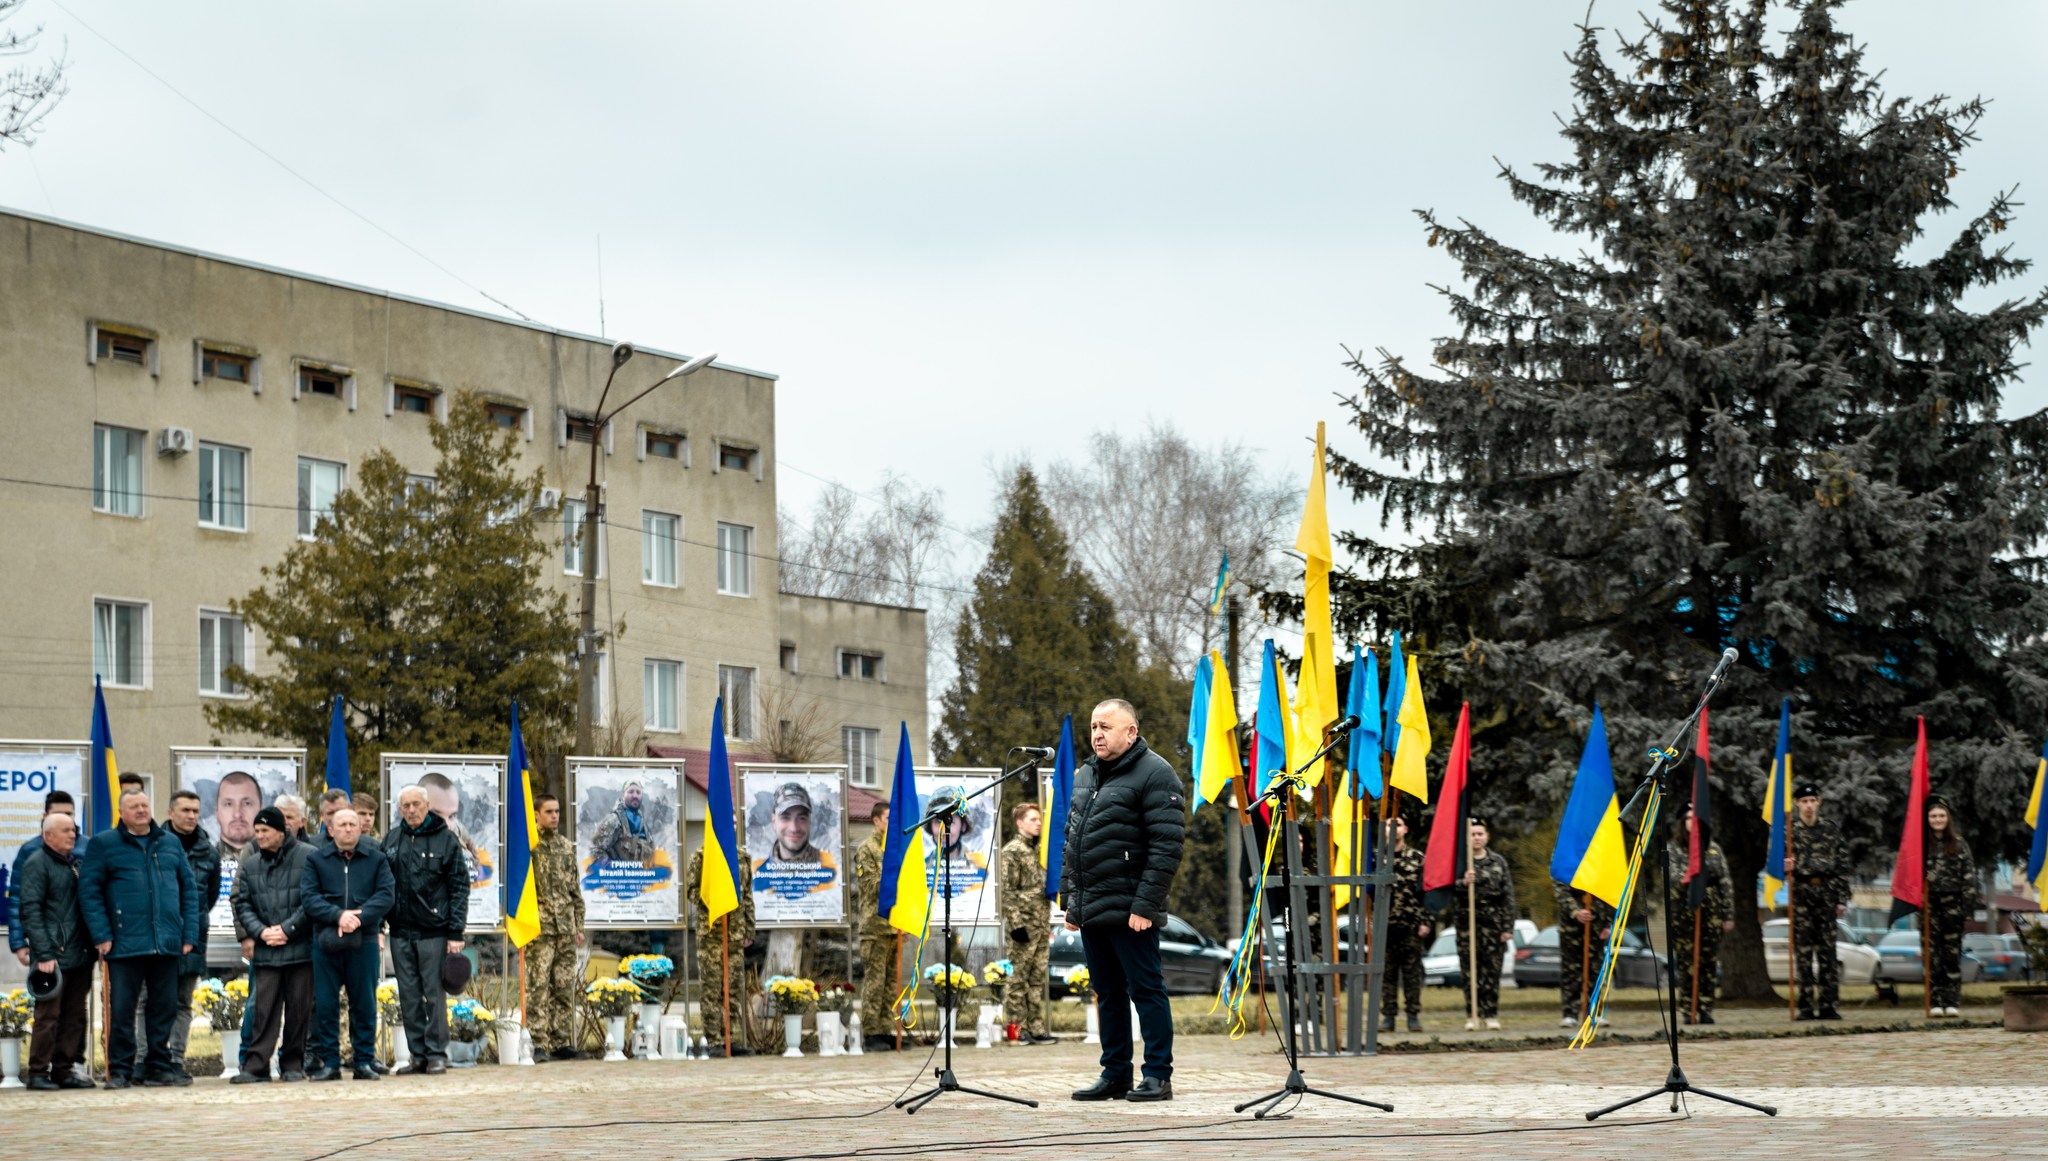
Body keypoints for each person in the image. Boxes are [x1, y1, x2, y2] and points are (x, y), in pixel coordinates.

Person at [1062, 698, 1185, 1103]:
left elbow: (1166, 846)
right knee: (1107, 993)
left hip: (1133, 908)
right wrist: (1072, 902)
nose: (1097, 734)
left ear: (1131, 732)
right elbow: (1074, 839)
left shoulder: (1156, 773)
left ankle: (1157, 1076)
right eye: (1094, 726)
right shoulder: (1085, 774)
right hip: (1093, 906)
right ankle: (1115, 1074)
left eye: (1106, 727)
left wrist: (1145, 905)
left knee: (1145, 990)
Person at [79, 788, 199, 1088]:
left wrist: (188, 933)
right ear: (122, 812)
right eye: (134, 806)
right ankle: (120, 1069)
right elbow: (89, 892)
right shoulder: (104, 844)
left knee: (164, 1007)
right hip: (124, 942)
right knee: (122, 1009)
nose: (141, 810)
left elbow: (188, 890)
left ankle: (158, 1065)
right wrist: (102, 934)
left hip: (166, 941)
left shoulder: (169, 843)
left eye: (145, 804)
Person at [301, 808, 394, 1081]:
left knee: (364, 1002)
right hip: (325, 941)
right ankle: (330, 1063)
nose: (349, 829)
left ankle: (363, 1061)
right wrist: (338, 915)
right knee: (327, 1004)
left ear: (360, 828)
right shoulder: (316, 860)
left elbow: (386, 895)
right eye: (342, 824)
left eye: (353, 824)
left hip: (363, 940)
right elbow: (309, 897)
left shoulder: (377, 859)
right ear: (331, 829)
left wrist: (359, 917)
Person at [386, 785, 469, 1074]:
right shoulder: (393, 839)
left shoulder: (445, 840)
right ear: (399, 810)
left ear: (427, 805)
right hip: (400, 932)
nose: (411, 810)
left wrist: (456, 932)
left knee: (434, 996)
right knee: (409, 997)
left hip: (434, 931)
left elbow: (459, 887)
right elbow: (383, 885)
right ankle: (417, 1054)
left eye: (416, 805)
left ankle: (436, 1054)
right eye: (405, 806)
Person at [230, 806, 313, 1083]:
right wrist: (261, 932)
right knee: (263, 1010)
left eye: (265, 831)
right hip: (267, 950)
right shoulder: (252, 863)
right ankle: (256, 1066)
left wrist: (288, 929)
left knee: (299, 1010)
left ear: (281, 831)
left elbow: (312, 899)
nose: (259, 836)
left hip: (300, 948)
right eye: (257, 831)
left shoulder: (307, 857)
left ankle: (292, 1065)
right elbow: (242, 902)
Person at [19, 812, 97, 1090]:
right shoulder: (37, 864)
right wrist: (44, 953)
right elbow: (31, 910)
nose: (72, 834)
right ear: (47, 835)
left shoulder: (74, 863)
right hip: (52, 955)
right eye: (65, 830)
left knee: (74, 1015)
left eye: (73, 829)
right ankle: (38, 1071)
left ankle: (63, 1071)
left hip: (80, 953)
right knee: (48, 1016)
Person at [164, 788, 223, 1079]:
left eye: (195, 811)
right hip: (157, 936)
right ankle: (148, 1058)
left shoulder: (208, 851)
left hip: (193, 936)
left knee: (182, 1002)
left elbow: (208, 897)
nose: (191, 816)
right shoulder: (155, 845)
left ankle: (176, 1060)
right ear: (170, 812)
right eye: (185, 810)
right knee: (150, 1002)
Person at [529, 793, 586, 1060]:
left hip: (565, 927)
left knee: (564, 988)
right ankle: (538, 1043)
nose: (555, 816)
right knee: (538, 987)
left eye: (557, 811)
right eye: (549, 811)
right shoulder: (530, 846)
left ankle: (561, 1041)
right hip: (539, 928)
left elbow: (574, 889)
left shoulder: (566, 846)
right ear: (537, 814)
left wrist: (579, 925)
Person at [683, 843, 755, 1055]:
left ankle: (730, 1039)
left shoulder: (741, 856)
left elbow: (747, 895)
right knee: (712, 990)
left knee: (733, 988)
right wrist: (714, 901)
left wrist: (749, 928)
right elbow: (691, 890)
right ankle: (713, 1041)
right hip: (711, 933)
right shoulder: (702, 855)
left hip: (735, 932)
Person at [1785, 781, 1848, 1020]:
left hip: (1827, 895)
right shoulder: (1789, 833)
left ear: (1819, 802)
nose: (1809, 806)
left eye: (1812, 801)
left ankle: (1829, 1005)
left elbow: (1842, 866)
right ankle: (1805, 1007)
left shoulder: (1831, 830)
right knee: (1803, 954)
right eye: (1804, 801)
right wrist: (1784, 866)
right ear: (1797, 804)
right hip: (1801, 896)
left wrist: (1841, 898)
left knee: (1827, 954)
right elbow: (1776, 867)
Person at [1665, 803, 1733, 1024]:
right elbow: (1673, 878)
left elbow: (1725, 882)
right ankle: (1688, 1008)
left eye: (1695, 819)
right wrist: (1692, 873)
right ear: (1681, 823)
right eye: (1687, 819)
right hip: (1684, 912)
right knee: (1686, 963)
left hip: (1711, 912)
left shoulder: (1713, 848)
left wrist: (1727, 914)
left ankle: (1705, 1007)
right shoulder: (1673, 849)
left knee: (1708, 961)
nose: (1691, 823)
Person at [1453, 815, 1516, 1032]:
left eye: (1480, 834)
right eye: (1472, 834)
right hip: (1467, 927)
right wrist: (1463, 882)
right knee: (1470, 974)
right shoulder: (1460, 862)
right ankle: (1472, 1015)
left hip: (1493, 927)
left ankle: (1491, 1014)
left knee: (1492, 972)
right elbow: (1447, 889)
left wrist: (1508, 927)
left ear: (1487, 837)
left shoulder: (1498, 862)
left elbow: (1507, 896)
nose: (1477, 838)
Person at [1000, 801, 1055, 1044]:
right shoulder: (1012, 851)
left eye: (1039, 819)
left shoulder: (1039, 851)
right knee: (1017, 980)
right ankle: (1015, 1029)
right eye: (1033, 819)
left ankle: (1036, 1027)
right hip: (1022, 926)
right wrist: (1016, 924)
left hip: (1040, 925)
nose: (1038, 823)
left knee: (1036, 980)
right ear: (1020, 822)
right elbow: (1006, 891)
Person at [1923, 796, 1980, 1017]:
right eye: (1933, 816)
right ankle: (1935, 1001)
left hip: (1953, 905)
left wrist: (1967, 909)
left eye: (1941, 816)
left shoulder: (1958, 843)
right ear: (1927, 819)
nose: (1937, 820)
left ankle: (1951, 1001)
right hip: (1930, 906)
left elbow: (1969, 878)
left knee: (1951, 955)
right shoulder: (1922, 846)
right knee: (1932, 955)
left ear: (1948, 818)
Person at [851, 799, 898, 1051]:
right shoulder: (867, 849)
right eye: (889, 818)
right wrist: (895, 875)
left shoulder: (898, 849)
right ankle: (871, 1032)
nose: (892, 823)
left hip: (894, 926)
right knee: (875, 981)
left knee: (891, 983)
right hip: (875, 927)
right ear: (876, 820)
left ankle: (886, 1028)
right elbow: (871, 886)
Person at [9, 790, 76, 965]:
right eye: (57, 814)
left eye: (68, 814)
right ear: (46, 815)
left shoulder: (86, 847)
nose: (64, 817)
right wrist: (18, 942)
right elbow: (19, 899)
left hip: (80, 948)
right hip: (45, 944)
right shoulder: (30, 851)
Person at [1379, 815, 1430, 1033]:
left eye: (1397, 824)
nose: (1393, 828)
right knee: (1386, 975)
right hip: (1384, 927)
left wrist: (1426, 921)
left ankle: (1413, 1016)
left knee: (1412, 974)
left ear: (1405, 829)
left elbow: (1427, 892)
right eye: (1389, 825)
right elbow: (1366, 894)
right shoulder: (1376, 858)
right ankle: (1388, 1017)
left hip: (1411, 926)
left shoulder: (1417, 858)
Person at [1550, 874, 1613, 1029]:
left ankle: (1595, 1013)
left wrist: (1608, 922)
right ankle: (1570, 1014)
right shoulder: (1566, 853)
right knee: (1571, 971)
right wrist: (1576, 911)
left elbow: (1609, 886)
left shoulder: (1599, 852)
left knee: (1596, 970)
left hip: (1596, 924)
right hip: (1571, 927)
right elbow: (1560, 888)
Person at [592, 780, 657, 865]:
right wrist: (612, 871)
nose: (635, 796)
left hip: (643, 876)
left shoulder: (642, 822)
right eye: (630, 792)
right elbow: (596, 849)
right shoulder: (614, 819)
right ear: (623, 795)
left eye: (638, 792)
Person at [213, 769, 264, 858]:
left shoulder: (285, 862)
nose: (237, 814)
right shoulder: (198, 863)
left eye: (247, 803)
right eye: (228, 804)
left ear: (262, 812)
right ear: (217, 813)